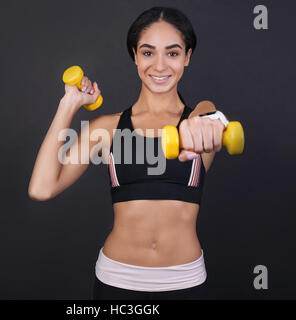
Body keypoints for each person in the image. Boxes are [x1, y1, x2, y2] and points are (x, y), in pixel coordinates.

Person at [28, 6, 225, 300]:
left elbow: (213, 120)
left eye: (172, 53)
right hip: (118, 282)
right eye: (148, 52)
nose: (159, 66)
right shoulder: (106, 129)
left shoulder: (198, 127)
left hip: (185, 281)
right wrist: (69, 104)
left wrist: (206, 111)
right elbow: (42, 189)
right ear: (135, 55)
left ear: (187, 56)